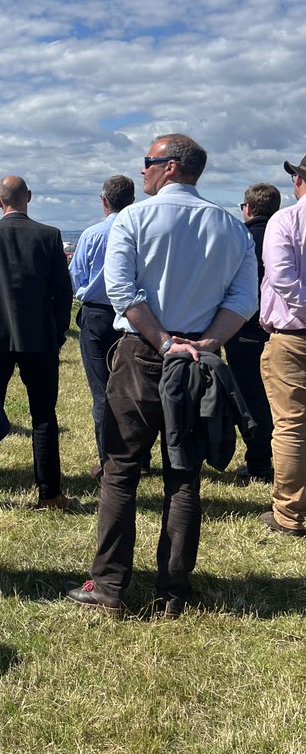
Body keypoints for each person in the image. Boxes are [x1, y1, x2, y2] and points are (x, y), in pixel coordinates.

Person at [66, 134, 257, 616]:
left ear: (169, 167)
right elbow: (243, 300)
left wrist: (165, 341)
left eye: (148, 162)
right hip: (198, 361)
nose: (143, 170)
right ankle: (172, 590)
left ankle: (108, 586)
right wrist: (206, 343)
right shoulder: (230, 226)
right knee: (182, 475)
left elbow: (122, 291)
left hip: (143, 354)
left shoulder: (133, 218)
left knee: (121, 470)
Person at [0, 175, 78, 511]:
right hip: (39, 339)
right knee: (43, 416)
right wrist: (57, 332)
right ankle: (49, 492)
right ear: (28, 197)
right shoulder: (49, 236)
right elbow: (63, 294)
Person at [70, 175, 136, 475]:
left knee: (102, 392)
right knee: (135, 388)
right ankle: (139, 455)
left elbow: (77, 278)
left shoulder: (92, 235)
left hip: (97, 314)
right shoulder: (139, 231)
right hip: (135, 316)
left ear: (104, 201)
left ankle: (109, 460)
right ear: (132, 200)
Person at [258, 156, 306, 537]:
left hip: (293, 335)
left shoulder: (286, 220)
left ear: (299, 181)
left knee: (291, 426)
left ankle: (288, 514)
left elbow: (282, 278)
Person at [224, 183, 281, 484]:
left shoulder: (239, 239)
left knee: (251, 399)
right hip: (285, 329)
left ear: (247, 209)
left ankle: (259, 462)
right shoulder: (286, 234)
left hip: (243, 328)